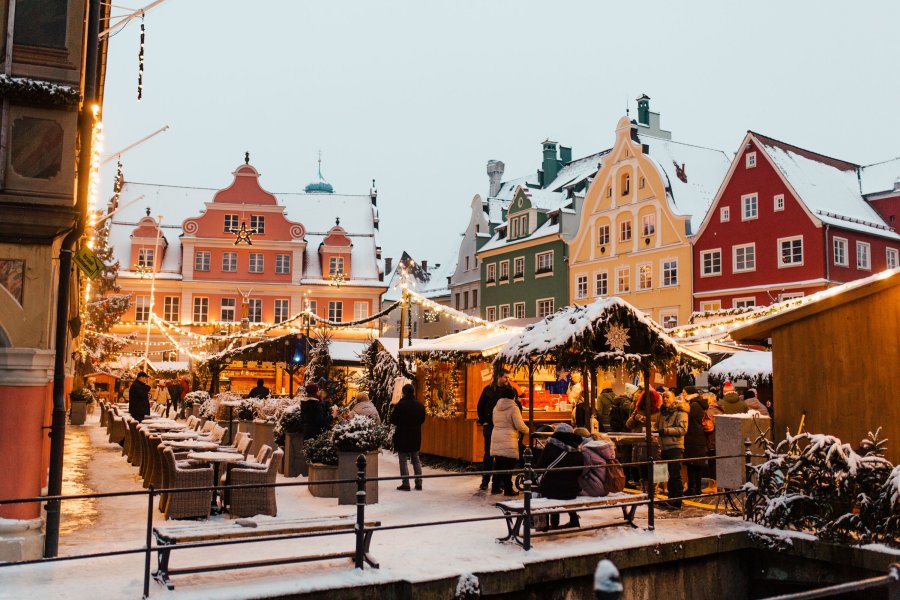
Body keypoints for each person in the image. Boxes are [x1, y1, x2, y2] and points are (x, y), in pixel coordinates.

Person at [537, 423, 585, 527]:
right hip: (572, 490)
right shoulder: (578, 449)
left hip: (551, 490)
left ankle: (554, 523)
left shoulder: (550, 446)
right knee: (564, 486)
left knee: (552, 485)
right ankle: (574, 519)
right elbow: (580, 471)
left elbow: (540, 467)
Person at [477, 369, 515, 492]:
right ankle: (485, 481)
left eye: (508, 378)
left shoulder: (510, 390)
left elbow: (516, 406)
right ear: (498, 377)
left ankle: (501, 482)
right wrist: (484, 420)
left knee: (502, 456)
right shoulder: (488, 390)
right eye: (505, 377)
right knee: (489, 455)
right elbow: (480, 406)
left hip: (504, 428)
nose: (507, 380)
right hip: (491, 427)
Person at [490, 386, 529, 496]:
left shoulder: (496, 407)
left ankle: (495, 487)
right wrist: (529, 431)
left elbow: (494, 421)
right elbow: (519, 425)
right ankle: (508, 489)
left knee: (498, 464)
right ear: (513, 396)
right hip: (508, 438)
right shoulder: (513, 408)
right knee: (508, 465)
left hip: (497, 436)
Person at [390, 383, 426, 491]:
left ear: (404, 393)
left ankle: (406, 483)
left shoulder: (400, 405)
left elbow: (393, 420)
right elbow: (422, 420)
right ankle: (418, 483)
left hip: (402, 435)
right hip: (415, 435)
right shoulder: (420, 405)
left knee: (403, 460)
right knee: (416, 459)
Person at [656, 390, 688, 509]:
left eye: (668, 397)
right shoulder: (662, 412)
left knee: (675, 474)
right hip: (664, 446)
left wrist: (666, 431)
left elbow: (682, 430)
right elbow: (658, 426)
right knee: (667, 475)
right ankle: (671, 498)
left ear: (674, 398)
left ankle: (677, 500)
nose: (665, 399)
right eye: (663, 397)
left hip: (675, 446)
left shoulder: (680, 412)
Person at [683, 386, 709, 496]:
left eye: (684, 392)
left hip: (693, 437)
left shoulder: (693, 405)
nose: (682, 394)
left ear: (689, 393)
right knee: (697, 465)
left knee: (692, 464)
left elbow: (687, 419)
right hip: (699, 437)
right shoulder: (699, 403)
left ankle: (692, 488)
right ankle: (697, 489)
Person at [579, 432, 617, 497]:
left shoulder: (586, 451)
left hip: (594, 489)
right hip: (607, 487)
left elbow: (581, 471)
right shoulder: (608, 449)